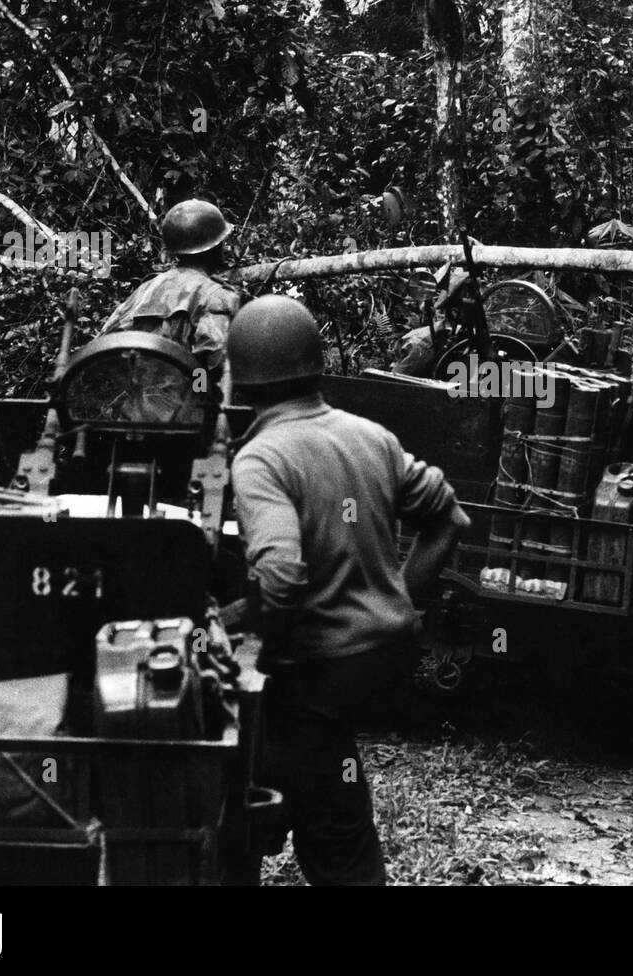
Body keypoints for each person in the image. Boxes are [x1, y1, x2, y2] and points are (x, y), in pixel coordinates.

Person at [228, 295, 470, 885]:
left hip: (322, 670)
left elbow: (281, 577)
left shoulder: (261, 459)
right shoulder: (372, 437)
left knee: (261, 797)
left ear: (244, 380)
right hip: (386, 657)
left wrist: (260, 641)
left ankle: (268, 819)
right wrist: (395, 600)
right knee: (320, 776)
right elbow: (449, 519)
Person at [98, 199, 242, 378]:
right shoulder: (216, 296)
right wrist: (200, 393)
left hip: (135, 400)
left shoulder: (145, 290)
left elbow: (103, 347)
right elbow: (217, 364)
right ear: (215, 247)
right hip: (187, 400)